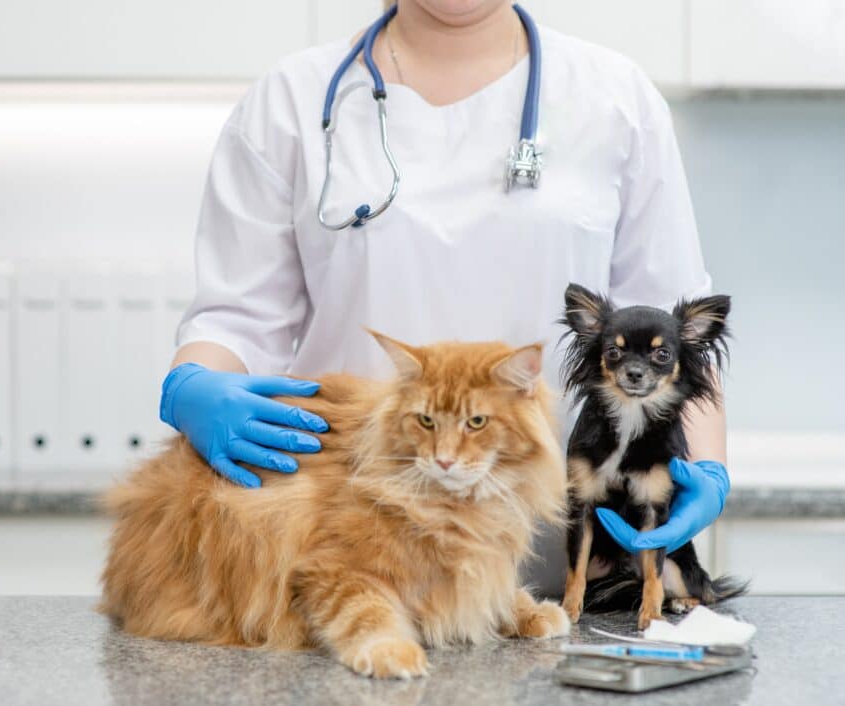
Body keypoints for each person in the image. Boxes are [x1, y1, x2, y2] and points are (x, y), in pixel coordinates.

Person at [159, 0, 729, 596]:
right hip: (355, 549)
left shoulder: (616, 97)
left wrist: (705, 469)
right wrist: (192, 385)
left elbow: (675, 332)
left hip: (562, 561)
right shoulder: (290, 100)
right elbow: (236, 317)